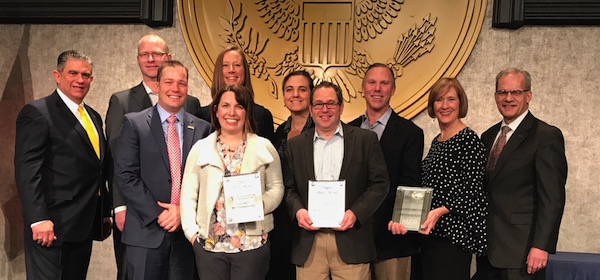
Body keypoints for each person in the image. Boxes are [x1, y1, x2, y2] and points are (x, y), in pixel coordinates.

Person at [105, 33, 201, 280]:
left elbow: (202, 178)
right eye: (168, 82)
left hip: (185, 232)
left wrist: (181, 211)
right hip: (146, 230)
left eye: (181, 83)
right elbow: (125, 174)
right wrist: (159, 213)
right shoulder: (134, 123)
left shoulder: (202, 128)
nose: (175, 89)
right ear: (158, 86)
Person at [14, 50, 111, 279]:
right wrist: (38, 218)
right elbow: (28, 170)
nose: (80, 80)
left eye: (86, 75)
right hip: (51, 226)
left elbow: (97, 170)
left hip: (83, 226)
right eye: (73, 73)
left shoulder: (93, 116)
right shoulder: (37, 113)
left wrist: (104, 212)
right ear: (57, 76)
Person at [284, 81, 388, 279]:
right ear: (311, 109)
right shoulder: (295, 146)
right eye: (319, 104)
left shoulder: (365, 140)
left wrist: (356, 213)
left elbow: (380, 184)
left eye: (331, 103)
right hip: (309, 244)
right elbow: (289, 189)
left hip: (352, 241)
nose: (325, 109)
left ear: (341, 107)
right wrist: (298, 211)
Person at [180, 84, 284, 279]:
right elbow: (188, 196)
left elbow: (277, 187)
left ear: (247, 111)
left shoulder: (264, 147)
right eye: (225, 106)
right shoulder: (200, 149)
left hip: (252, 245)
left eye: (239, 106)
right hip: (210, 246)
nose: (232, 112)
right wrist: (192, 234)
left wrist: (259, 205)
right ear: (216, 111)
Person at [474, 68, 567, 280]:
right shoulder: (488, 136)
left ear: (529, 96)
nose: (508, 98)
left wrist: (540, 246)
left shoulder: (546, 136)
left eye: (515, 92)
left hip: (523, 253)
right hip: (487, 252)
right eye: (502, 92)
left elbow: (552, 199)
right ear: (495, 96)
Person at [390, 77, 487, 280]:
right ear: (432, 106)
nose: (445, 106)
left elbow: (474, 192)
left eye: (451, 99)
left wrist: (439, 212)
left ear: (461, 103)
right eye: (439, 99)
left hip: (452, 239)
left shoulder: (468, 140)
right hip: (430, 236)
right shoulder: (438, 140)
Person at [349, 63, 424, 280]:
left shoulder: (411, 133)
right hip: (354, 236)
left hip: (393, 236)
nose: (377, 88)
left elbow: (411, 182)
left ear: (393, 89)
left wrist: (405, 221)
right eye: (372, 82)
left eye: (384, 83)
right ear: (362, 88)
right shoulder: (348, 130)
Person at [268, 70, 315, 280]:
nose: (295, 94)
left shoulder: (323, 130)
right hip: (280, 223)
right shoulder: (277, 134)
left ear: (312, 94)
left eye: (302, 89)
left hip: (311, 220)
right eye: (289, 89)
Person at [196, 45, 275, 142]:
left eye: (237, 65)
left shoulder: (262, 116)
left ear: (245, 70)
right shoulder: (202, 117)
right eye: (225, 65)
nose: (231, 70)